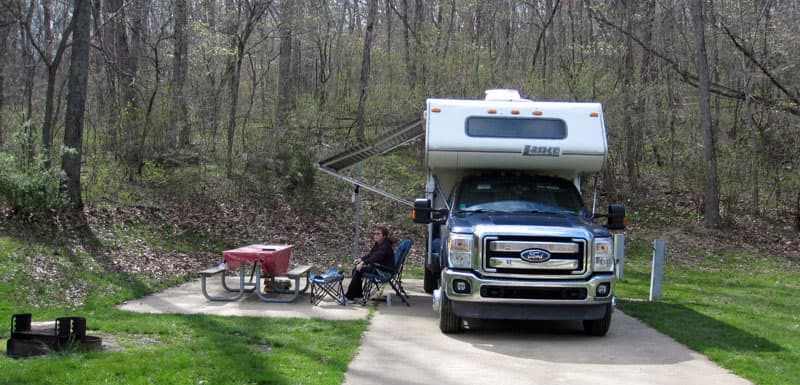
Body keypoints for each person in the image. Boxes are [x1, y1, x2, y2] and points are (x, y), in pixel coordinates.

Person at [344, 226, 394, 303]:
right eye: (375, 234)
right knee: (356, 270)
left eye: (378, 234)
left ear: (384, 236)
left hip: (384, 272)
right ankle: (358, 296)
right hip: (379, 268)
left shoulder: (385, 246)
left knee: (358, 270)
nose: (375, 235)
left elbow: (376, 258)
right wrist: (361, 259)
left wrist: (363, 263)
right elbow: (371, 255)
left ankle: (349, 297)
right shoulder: (378, 244)